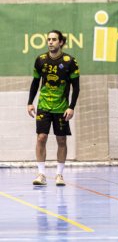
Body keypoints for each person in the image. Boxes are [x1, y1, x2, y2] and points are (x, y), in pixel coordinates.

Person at [27, 30, 80, 186]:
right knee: (41, 137)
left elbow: (76, 87)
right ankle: (41, 174)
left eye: (54, 39)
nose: (50, 42)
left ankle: (59, 175)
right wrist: (30, 102)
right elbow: (35, 82)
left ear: (61, 42)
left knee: (61, 139)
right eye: (48, 39)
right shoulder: (40, 60)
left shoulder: (70, 61)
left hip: (61, 107)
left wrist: (71, 107)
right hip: (44, 105)